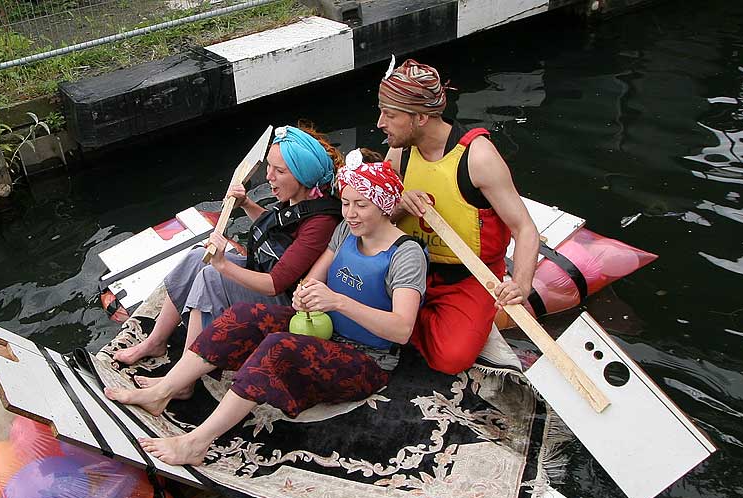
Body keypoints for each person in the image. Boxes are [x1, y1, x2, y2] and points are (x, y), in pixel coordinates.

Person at [105, 151, 427, 466]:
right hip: (324, 330)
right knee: (243, 315)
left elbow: (401, 329)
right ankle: (164, 390)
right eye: (345, 203)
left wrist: (338, 301)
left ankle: (195, 443)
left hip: (367, 360)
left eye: (361, 205)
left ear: (384, 207)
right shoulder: (345, 231)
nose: (350, 213)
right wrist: (304, 296)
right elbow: (312, 281)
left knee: (277, 348)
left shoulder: (405, 255)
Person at [112, 125, 343, 382]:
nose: (269, 177)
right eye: (269, 167)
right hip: (270, 274)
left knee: (211, 276)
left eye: (280, 171)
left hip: (290, 303)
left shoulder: (320, 223)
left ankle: (182, 379)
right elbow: (274, 229)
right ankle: (154, 342)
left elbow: (274, 284)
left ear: (303, 176)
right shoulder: (297, 198)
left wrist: (223, 265)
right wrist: (245, 203)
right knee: (195, 257)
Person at [377, 59, 540, 374]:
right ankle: (416, 322)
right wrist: (398, 205)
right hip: (411, 266)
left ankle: (435, 325)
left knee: (451, 359)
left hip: (467, 276)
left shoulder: (478, 158)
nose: (381, 123)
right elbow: (378, 216)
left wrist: (521, 284)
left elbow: (525, 228)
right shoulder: (399, 150)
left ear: (421, 117)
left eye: (391, 115)